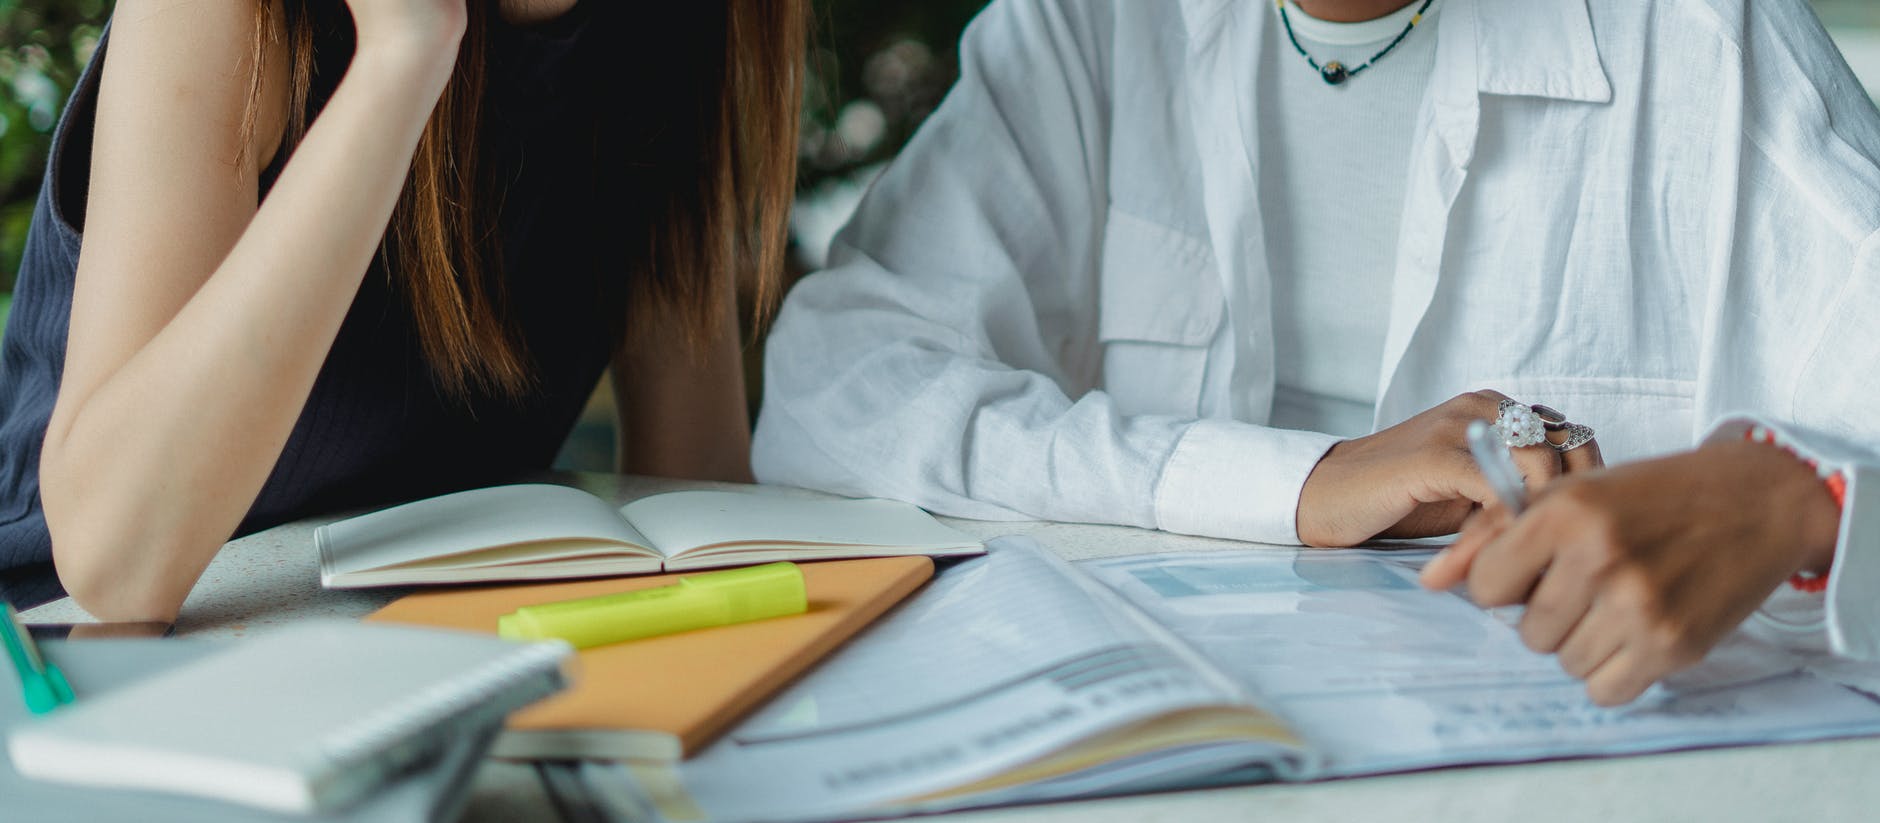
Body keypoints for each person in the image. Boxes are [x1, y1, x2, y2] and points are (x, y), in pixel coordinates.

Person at [751, 0, 1879, 705]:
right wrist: (1299, 477)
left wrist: (1800, 505)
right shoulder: (1083, 29)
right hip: (1174, 760)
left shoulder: (1699, 35)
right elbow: (835, 388)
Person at [0, 0, 806, 618]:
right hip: (79, 675)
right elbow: (113, 563)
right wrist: (402, 58)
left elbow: (699, 497)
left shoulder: (676, 30)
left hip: (423, 668)